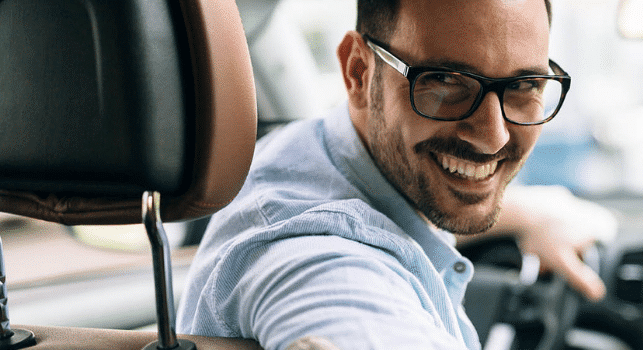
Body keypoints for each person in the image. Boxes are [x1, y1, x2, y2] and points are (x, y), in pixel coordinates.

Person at [177, 0, 611, 349]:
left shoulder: (315, 153)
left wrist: (533, 214)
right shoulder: (315, 262)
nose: (493, 137)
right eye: (445, 81)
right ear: (359, 72)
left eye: (524, 85)